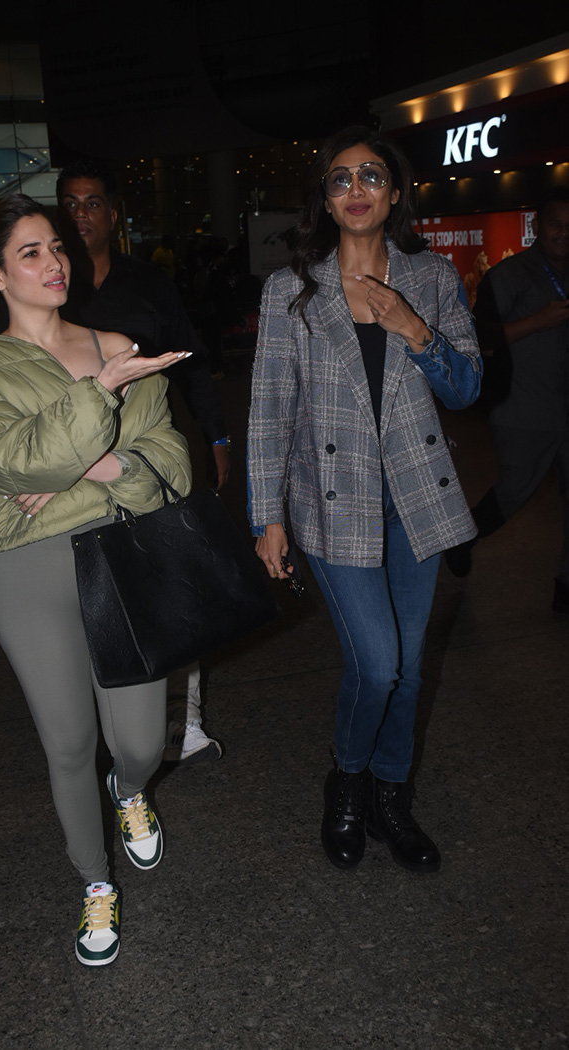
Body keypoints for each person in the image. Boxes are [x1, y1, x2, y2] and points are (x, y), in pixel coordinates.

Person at [0, 194, 193, 966]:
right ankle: (93, 883)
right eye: (30, 253)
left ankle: (131, 793)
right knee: (69, 741)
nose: (54, 263)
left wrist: (95, 462)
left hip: (123, 553)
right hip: (27, 564)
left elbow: (171, 466)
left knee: (141, 740)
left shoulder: (120, 344)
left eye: (56, 247)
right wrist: (101, 404)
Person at [247, 126, 482, 874]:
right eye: (340, 178)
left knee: (411, 670)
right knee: (377, 664)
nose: (355, 189)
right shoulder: (292, 289)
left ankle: (390, 795)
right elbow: (269, 412)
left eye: (371, 176)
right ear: (325, 197)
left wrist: (414, 329)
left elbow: (468, 387)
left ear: (395, 193)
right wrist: (267, 516)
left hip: (418, 500)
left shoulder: (434, 278)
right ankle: (346, 782)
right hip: (331, 504)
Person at [56, 159, 227, 762]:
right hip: (75, 465)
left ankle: (188, 722)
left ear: (114, 213)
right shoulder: (51, 286)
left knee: (170, 579)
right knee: (89, 592)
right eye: (71, 205)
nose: (82, 216)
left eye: (93, 203)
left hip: (146, 454)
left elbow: (191, 359)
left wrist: (217, 436)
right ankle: (110, 725)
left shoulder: (147, 284)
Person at [445, 188, 569, 612]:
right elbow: (478, 337)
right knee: (514, 492)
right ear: (538, 226)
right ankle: (464, 538)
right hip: (523, 409)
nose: (563, 233)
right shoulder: (510, 274)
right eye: (555, 223)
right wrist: (539, 320)